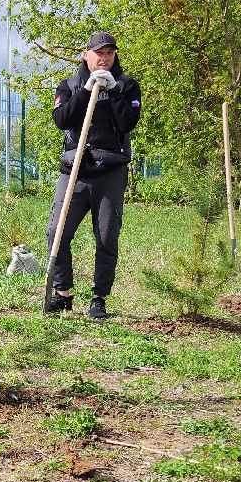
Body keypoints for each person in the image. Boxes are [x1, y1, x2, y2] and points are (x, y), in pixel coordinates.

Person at [47, 31, 142, 318]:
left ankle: (99, 297)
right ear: (86, 55)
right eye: (99, 52)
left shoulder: (127, 86)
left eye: (109, 53)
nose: (104, 58)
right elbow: (62, 120)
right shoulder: (69, 86)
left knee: (106, 235)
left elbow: (128, 123)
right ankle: (63, 294)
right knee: (57, 232)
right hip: (74, 170)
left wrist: (111, 92)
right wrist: (87, 91)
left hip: (110, 171)